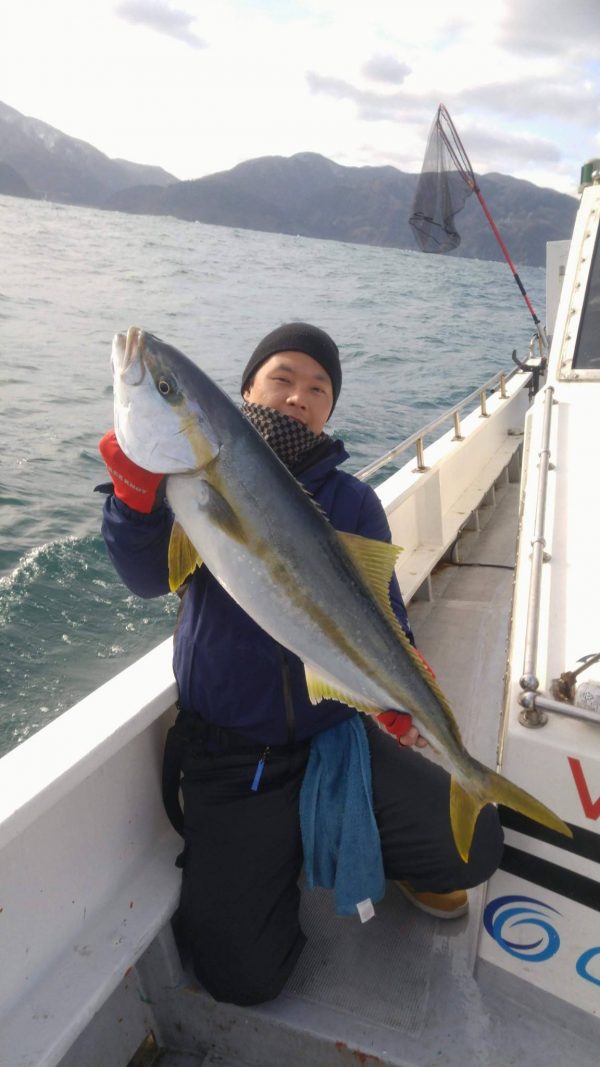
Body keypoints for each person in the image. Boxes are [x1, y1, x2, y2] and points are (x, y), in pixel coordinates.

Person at [98, 322, 503, 1007]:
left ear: (329, 408)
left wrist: (403, 687)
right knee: (241, 976)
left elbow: (384, 615)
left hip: (333, 735)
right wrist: (134, 502)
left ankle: (382, 845)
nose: (299, 396)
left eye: (318, 388)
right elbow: (145, 578)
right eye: (282, 378)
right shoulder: (179, 482)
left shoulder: (352, 501)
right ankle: (278, 853)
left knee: (478, 845)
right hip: (233, 756)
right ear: (246, 391)